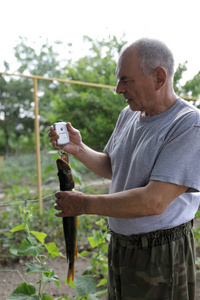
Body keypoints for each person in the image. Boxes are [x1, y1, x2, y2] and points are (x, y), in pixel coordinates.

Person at [49, 38, 200, 300]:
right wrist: (79, 149)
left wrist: (84, 204)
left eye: (126, 80)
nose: (118, 89)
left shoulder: (188, 124)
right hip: (121, 245)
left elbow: (153, 202)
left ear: (159, 77)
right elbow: (114, 167)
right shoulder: (129, 114)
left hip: (160, 252)